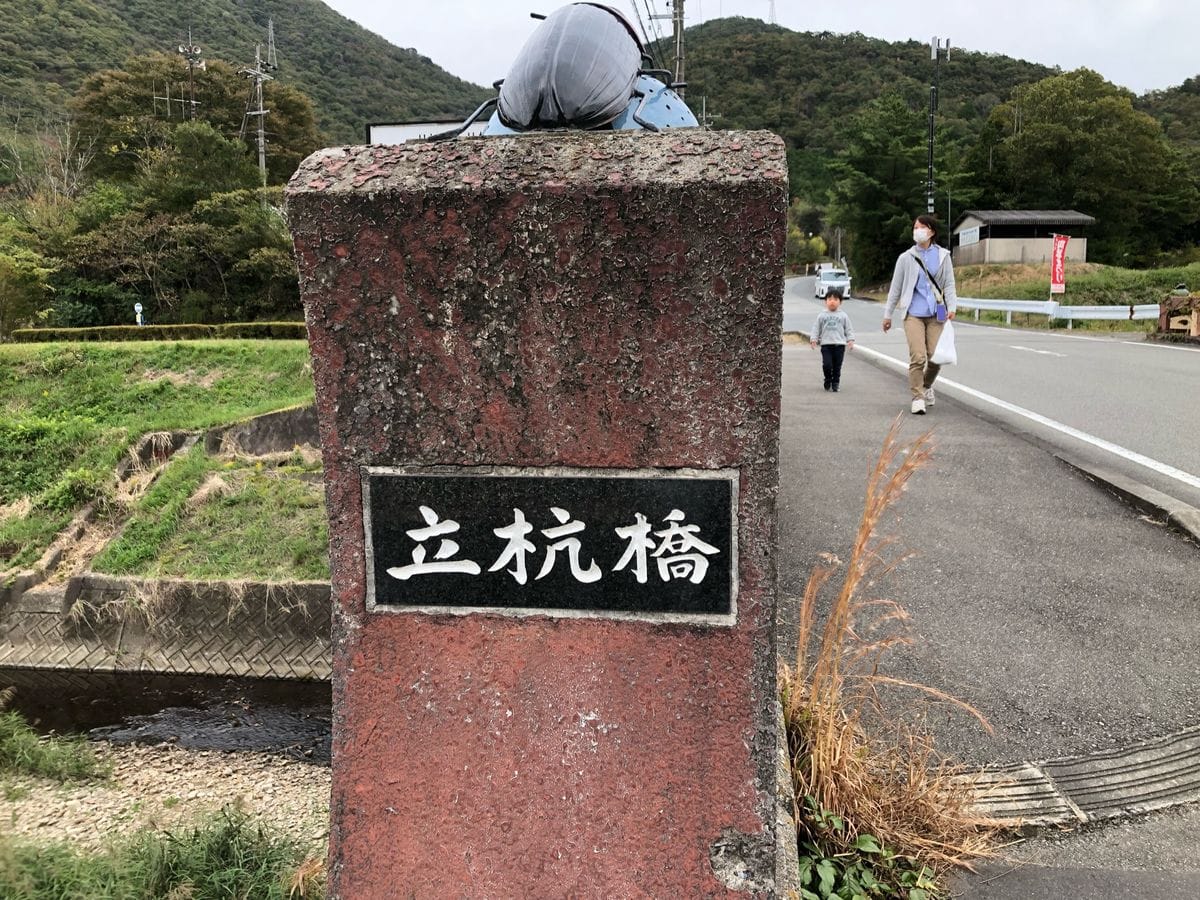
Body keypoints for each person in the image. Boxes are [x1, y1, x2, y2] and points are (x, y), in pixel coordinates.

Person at [883, 215, 957, 414]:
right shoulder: (905, 258)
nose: (917, 231)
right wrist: (887, 315)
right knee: (918, 356)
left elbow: (949, 284)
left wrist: (952, 307)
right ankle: (917, 397)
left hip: (936, 313)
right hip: (913, 313)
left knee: (935, 357)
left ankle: (925, 386)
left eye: (921, 227)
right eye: (915, 228)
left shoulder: (943, 256)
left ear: (931, 231)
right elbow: (895, 289)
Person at [810, 286, 854, 392]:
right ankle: (828, 379)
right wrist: (814, 339)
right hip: (826, 345)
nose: (832, 302)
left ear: (840, 302)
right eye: (829, 299)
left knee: (837, 366)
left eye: (835, 299)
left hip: (839, 345)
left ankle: (835, 383)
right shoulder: (822, 315)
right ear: (825, 301)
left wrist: (850, 340)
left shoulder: (843, 316)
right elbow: (816, 328)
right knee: (827, 364)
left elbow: (848, 329)